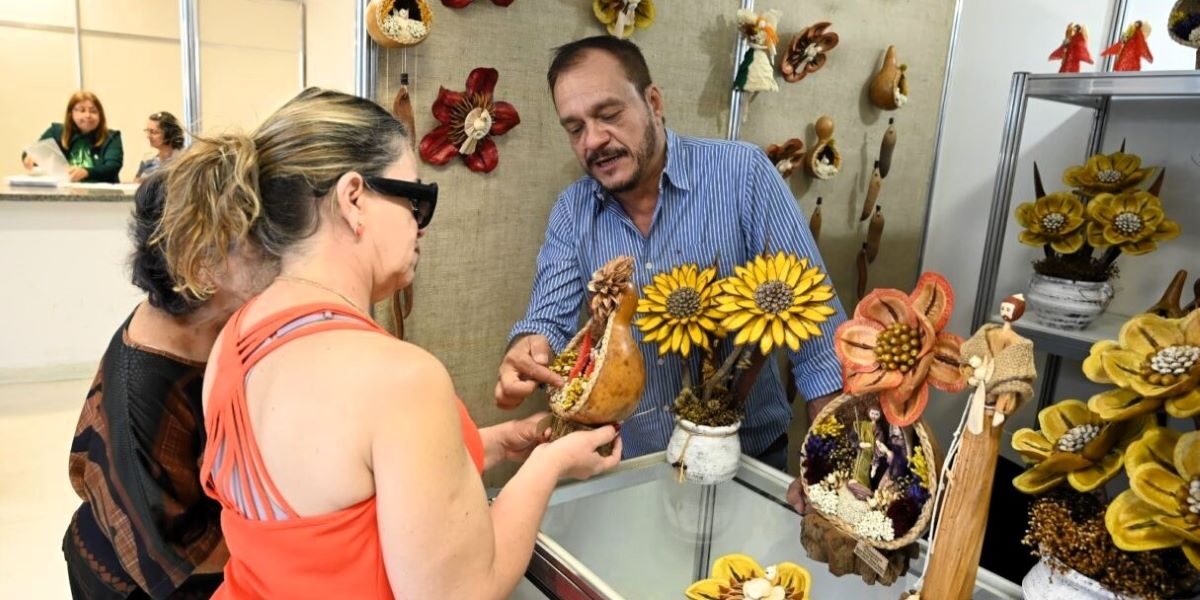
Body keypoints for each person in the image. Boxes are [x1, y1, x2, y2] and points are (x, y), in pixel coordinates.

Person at [155, 87, 621, 598]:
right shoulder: (400, 379)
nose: (420, 228)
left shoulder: (234, 338)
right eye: (416, 201)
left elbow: (342, 489)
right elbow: (462, 591)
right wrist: (549, 465)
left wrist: (498, 444)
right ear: (354, 198)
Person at [495, 36, 847, 471]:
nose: (594, 141)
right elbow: (547, 321)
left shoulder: (743, 175)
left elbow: (818, 333)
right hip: (632, 467)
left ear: (653, 102)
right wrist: (528, 349)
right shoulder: (572, 211)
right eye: (575, 128)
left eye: (609, 115)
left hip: (746, 458)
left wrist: (829, 464)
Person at [64, 173, 277, 599]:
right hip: (140, 581)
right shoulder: (145, 396)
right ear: (200, 265)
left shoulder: (204, 320)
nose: (278, 250)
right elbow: (183, 558)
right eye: (256, 239)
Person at [22, 91, 124, 183]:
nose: (88, 115)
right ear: (71, 114)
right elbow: (33, 151)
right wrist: (29, 157)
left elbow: (112, 167)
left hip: (101, 196)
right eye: (82, 110)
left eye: (93, 111)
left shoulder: (111, 137)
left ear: (100, 115)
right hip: (63, 194)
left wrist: (87, 172)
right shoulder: (56, 131)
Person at [135, 111, 184, 182]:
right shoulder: (147, 160)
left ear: (169, 134)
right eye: (147, 131)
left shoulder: (183, 161)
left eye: (154, 132)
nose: (148, 136)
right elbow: (136, 183)